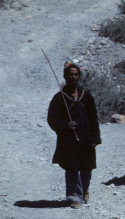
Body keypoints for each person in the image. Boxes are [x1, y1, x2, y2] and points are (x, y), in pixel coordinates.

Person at [47, 62, 101, 209]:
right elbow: (52, 119)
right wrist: (65, 125)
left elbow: (93, 118)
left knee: (86, 167)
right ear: (65, 76)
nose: (73, 77)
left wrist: (95, 138)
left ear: (79, 76)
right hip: (68, 139)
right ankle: (73, 197)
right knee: (72, 168)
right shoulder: (59, 98)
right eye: (70, 74)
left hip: (86, 138)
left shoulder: (86, 96)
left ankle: (84, 191)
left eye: (76, 74)